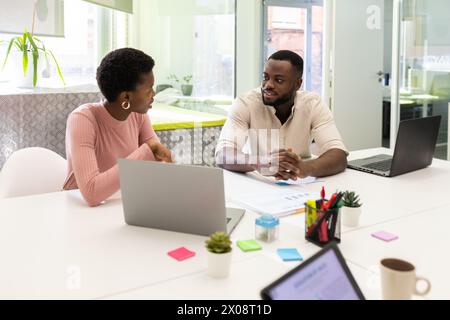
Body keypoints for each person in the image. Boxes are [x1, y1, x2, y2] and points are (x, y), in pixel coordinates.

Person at [63, 48, 172, 206]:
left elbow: (158, 163)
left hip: (118, 205)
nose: (154, 94)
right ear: (126, 97)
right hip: (77, 210)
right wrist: (145, 152)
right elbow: (91, 193)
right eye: (149, 90)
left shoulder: (138, 115)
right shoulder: (82, 119)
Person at [215, 50, 348, 180]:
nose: (268, 85)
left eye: (278, 80)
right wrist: (259, 162)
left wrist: (304, 168)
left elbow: (338, 155)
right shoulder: (245, 103)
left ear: (297, 84)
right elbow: (223, 155)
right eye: (265, 77)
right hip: (256, 180)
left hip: (301, 183)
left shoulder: (313, 104)